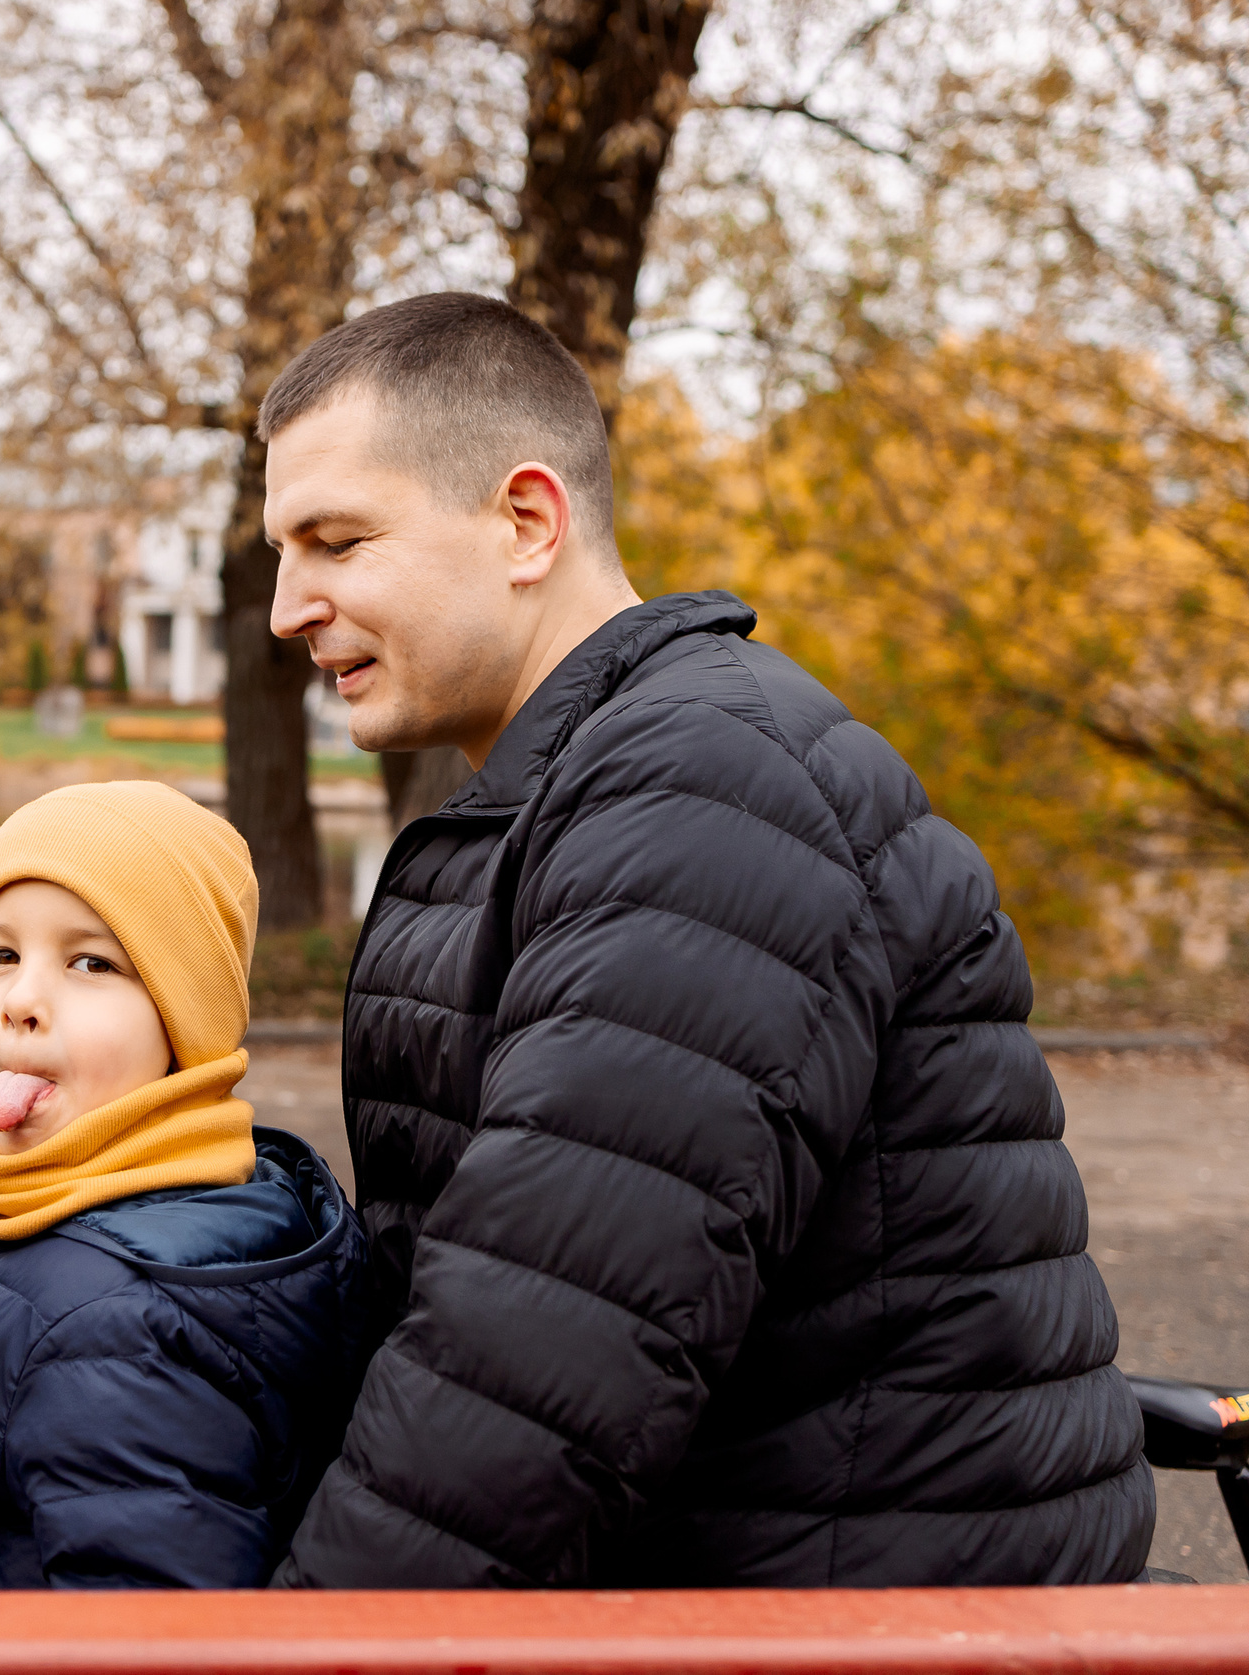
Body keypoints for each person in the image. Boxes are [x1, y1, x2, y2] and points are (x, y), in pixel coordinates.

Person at [258, 292, 1152, 1586]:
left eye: (335, 541)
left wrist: (282, 1655)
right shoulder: (585, 782)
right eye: (284, 551)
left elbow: (531, 1374)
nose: (290, 605)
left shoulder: (704, 790)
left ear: (525, 522)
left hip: (873, 1619)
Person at [0, 782, 374, 1588]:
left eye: (91, 962)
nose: (22, 1001)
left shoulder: (118, 1333)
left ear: (187, 1022)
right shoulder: (118, 1207)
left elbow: (146, 1632)